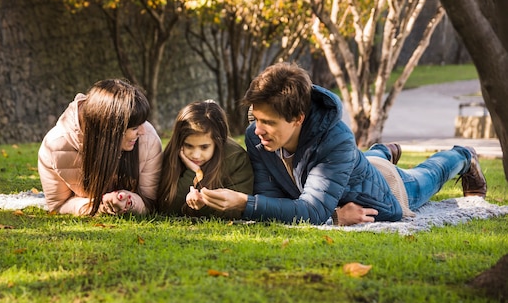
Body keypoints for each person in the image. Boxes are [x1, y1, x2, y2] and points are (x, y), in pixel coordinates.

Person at [197, 62, 487, 226]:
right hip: (351, 167)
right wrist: (334, 215)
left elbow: (310, 210)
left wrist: (246, 204)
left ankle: (462, 155)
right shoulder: (255, 137)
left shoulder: (336, 139)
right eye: (255, 119)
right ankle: (382, 152)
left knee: (428, 176)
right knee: (364, 159)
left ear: (298, 118)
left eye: (269, 123)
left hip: (386, 190)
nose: (257, 130)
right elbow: (275, 200)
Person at [38, 79, 163, 216]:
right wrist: (98, 207)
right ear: (110, 130)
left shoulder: (148, 139)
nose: (142, 131)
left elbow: (150, 203)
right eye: (134, 128)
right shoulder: (54, 148)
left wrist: (129, 201)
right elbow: (58, 206)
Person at [158, 100, 253, 219]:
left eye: (204, 147)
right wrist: (192, 173)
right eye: (189, 146)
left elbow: (235, 212)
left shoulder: (236, 158)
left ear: (217, 142)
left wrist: (204, 204)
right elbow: (165, 209)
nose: (196, 155)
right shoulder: (173, 154)